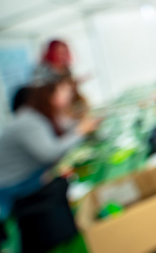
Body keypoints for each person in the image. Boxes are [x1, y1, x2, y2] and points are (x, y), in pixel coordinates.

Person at [0, 74, 98, 252]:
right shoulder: (29, 121)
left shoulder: (39, 116)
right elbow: (50, 154)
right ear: (49, 95)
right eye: (63, 91)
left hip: (27, 177)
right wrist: (80, 131)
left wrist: (81, 124)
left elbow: (64, 126)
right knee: (60, 183)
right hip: (14, 186)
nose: (68, 96)